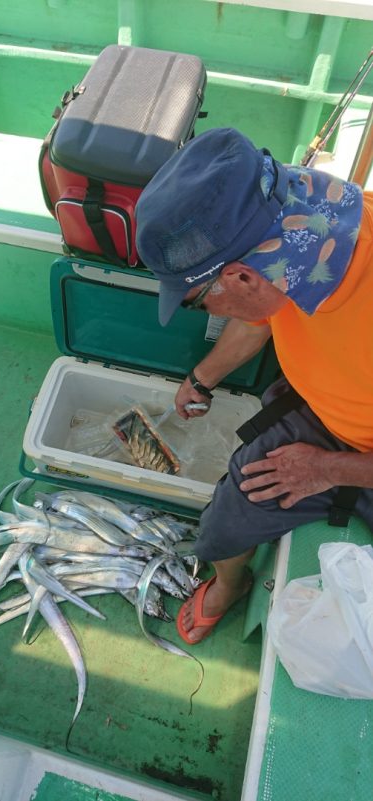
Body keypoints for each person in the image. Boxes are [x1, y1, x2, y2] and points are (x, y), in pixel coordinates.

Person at [134, 127, 373, 645]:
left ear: (242, 279)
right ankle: (231, 585)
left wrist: (329, 468)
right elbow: (262, 314)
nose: (203, 309)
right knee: (228, 517)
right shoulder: (298, 233)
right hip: (324, 407)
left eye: (199, 299)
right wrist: (202, 377)